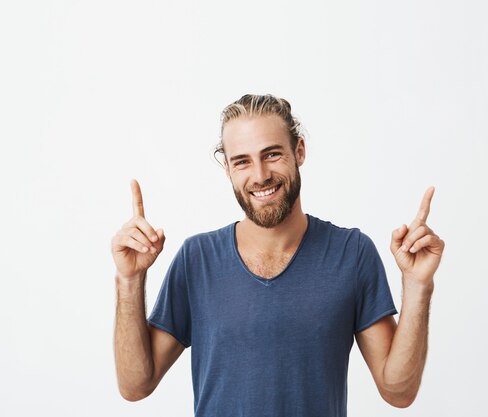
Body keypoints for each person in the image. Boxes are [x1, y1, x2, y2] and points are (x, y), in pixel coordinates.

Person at [112, 94, 445, 416]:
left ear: (299, 151)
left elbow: (398, 392)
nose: (259, 176)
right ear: (227, 169)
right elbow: (135, 386)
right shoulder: (197, 259)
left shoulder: (351, 254)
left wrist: (417, 285)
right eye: (242, 161)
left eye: (272, 154)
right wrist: (129, 279)